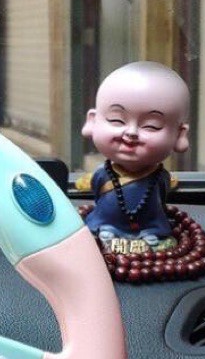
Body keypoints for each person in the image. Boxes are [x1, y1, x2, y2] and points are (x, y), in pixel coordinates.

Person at [76, 61, 190, 247]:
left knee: (154, 222)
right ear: (92, 121)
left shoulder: (160, 177)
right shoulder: (102, 174)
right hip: (106, 220)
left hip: (150, 222)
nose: (131, 133)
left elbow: (162, 194)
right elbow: (96, 190)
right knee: (103, 221)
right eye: (117, 120)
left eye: (151, 126)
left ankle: (151, 232)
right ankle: (107, 229)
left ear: (179, 135)